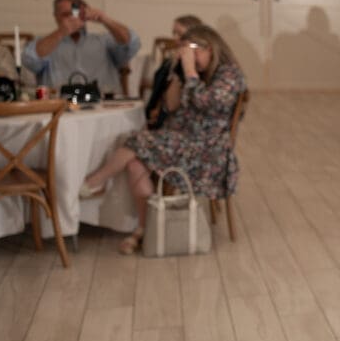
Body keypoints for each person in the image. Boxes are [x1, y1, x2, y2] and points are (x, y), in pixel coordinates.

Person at [80, 25, 246, 255]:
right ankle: (145, 229)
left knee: (137, 142)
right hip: (181, 141)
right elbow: (171, 106)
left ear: (209, 48)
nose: (192, 59)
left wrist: (190, 71)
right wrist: (177, 72)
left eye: (194, 52)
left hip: (208, 151)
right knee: (134, 160)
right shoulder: (192, 74)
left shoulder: (229, 74)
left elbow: (208, 102)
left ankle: (93, 181)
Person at [22, 0, 141, 92]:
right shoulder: (47, 43)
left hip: (102, 105)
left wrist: (104, 19)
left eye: (74, 13)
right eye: (65, 15)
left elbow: (131, 43)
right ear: (56, 17)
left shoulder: (104, 41)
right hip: (61, 107)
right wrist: (61, 32)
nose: (71, 18)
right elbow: (30, 60)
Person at [144, 14, 204, 129]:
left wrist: (179, 67)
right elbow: (159, 89)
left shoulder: (197, 65)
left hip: (181, 122)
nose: (175, 38)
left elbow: (174, 105)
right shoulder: (170, 61)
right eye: (174, 33)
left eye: (180, 35)